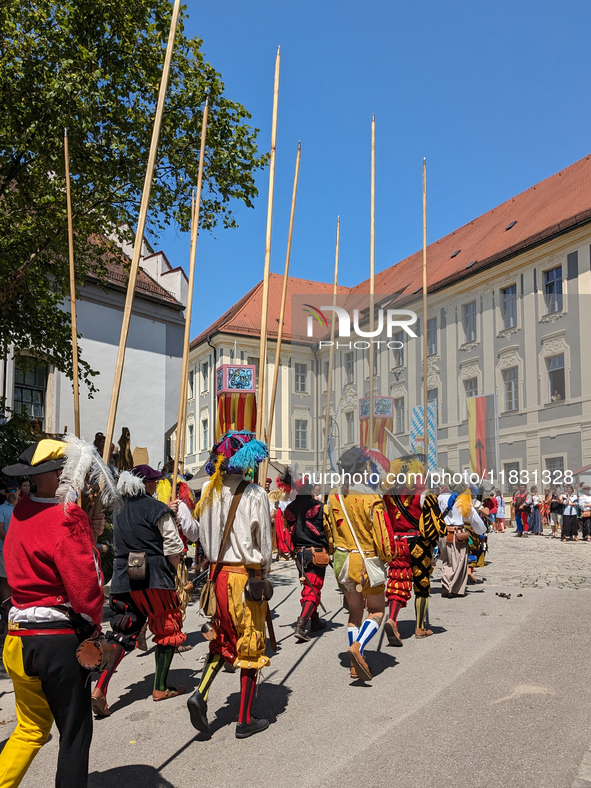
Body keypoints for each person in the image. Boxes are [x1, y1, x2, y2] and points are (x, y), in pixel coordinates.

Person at [0, 436, 113, 788]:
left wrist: (86, 534)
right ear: (63, 472)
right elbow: (86, 591)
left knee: (31, 729)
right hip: (55, 641)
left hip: (17, 638)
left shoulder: (21, 508)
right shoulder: (67, 517)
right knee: (75, 731)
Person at [187, 430, 273, 739]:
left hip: (217, 575)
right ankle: (244, 719)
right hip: (243, 577)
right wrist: (264, 571)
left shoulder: (209, 489)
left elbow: (198, 535)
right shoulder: (254, 494)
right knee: (250, 642)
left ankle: (201, 693)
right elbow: (263, 543)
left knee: (224, 638)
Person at [94, 464, 187, 718]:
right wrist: (173, 570)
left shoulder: (118, 510)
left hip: (124, 580)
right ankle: (160, 687)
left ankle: (100, 688)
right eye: (154, 481)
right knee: (169, 627)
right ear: (144, 484)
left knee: (122, 635)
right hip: (154, 578)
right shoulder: (157, 508)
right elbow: (173, 545)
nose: (157, 485)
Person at [325, 447, 396, 682]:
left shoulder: (333, 495)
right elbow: (382, 534)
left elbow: (329, 531)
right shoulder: (371, 496)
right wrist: (388, 557)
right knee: (376, 610)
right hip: (365, 561)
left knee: (354, 612)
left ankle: (355, 666)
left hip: (343, 562)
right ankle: (358, 646)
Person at [382, 455, 446, 646]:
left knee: (396, 583)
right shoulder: (424, 495)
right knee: (422, 584)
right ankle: (419, 627)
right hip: (418, 543)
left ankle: (392, 619)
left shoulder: (388, 496)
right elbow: (436, 525)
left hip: (396, 543)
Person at [284, 478, 330, 642]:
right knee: (313, 588)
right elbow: (328, 531)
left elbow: (288, 531)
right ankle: (301, 625)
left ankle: (315, 621)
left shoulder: (289, 508)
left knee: (310, 586)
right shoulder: (320, 507)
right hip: (315, 553)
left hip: (299, 554)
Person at [437, 482, 486, 598]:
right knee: (459, 562)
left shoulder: (441, 497)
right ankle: (454, 588)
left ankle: (446, 584)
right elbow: (475, 519)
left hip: (443, 533)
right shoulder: (463, 501)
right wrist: (481, 531)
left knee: (446, 560)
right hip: (457, 534)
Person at [0, 480, 19, 613]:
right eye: (7, 491)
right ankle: (7, 611)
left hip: (23, 551)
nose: (10, 493)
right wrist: (12, 545)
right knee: (6, 580)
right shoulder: (1, 508)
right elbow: (0, 530)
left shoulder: (24, 506)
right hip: (4, 550)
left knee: (20, 579)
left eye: (13, 490)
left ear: (18, 491)